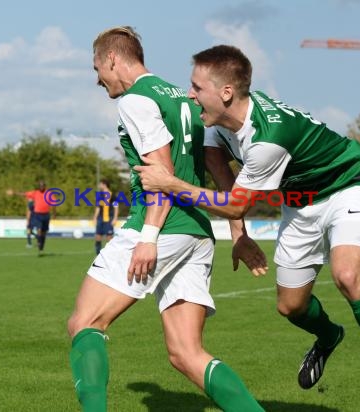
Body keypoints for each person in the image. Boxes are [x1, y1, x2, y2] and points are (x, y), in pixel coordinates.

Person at [135, 45, 360, 412]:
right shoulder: (217, 125)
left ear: (226, 93)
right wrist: (240, 236)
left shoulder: (267, 140)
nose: (190, 94)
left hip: (349, 185)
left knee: (347, 275)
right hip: (299, 204)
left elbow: (235, 203)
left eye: (197, 87)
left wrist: (169, 184)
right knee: (290, 307)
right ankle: (329, 335)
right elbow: (227, 185)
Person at [67, 27, 264, 412]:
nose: (97, 79)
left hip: (161, 226)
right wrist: (238, 231)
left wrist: (149, 235)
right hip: (197, 232)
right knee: (186, 354)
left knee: (84, 323)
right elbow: (217, 167)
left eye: (97, 68)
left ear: (111, 59)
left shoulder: (135, 100)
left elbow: (160, 170)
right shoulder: (186, 99)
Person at [8, 181, 55, 254]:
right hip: (38, 214)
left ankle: (41, 247)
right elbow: (24, 194)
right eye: (40, 186)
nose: (41, 187)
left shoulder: (49, 194)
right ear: (39, 187)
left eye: (43, 186)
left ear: (45, 186)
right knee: (39, 229)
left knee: (44, 233)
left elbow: (54, 203)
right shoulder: (35, 193)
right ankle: (39, 242)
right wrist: (14, 193)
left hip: (46, 215)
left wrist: (54, 213)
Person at [92, 178, 118, 255]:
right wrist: (95, 217)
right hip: (100, 219)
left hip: (109, 219)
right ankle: (98, 256)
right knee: (97, 237)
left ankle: (111, 255)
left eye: (100, 184)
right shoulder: (99, 195)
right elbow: (98, 207)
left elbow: (116, 206)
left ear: (104, 184)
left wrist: (115, 218)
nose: (99, 185)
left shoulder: (112, 195)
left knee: (109, 238)